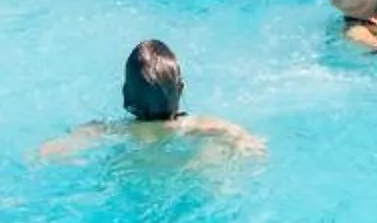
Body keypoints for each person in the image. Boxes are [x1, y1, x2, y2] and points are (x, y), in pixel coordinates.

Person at [39, 40, 262, 159]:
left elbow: (55, 149)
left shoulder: (113, 130)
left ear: (125, 94)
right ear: (181, 90)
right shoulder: (197, 126)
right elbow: (240, 136)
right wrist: (246, 144)